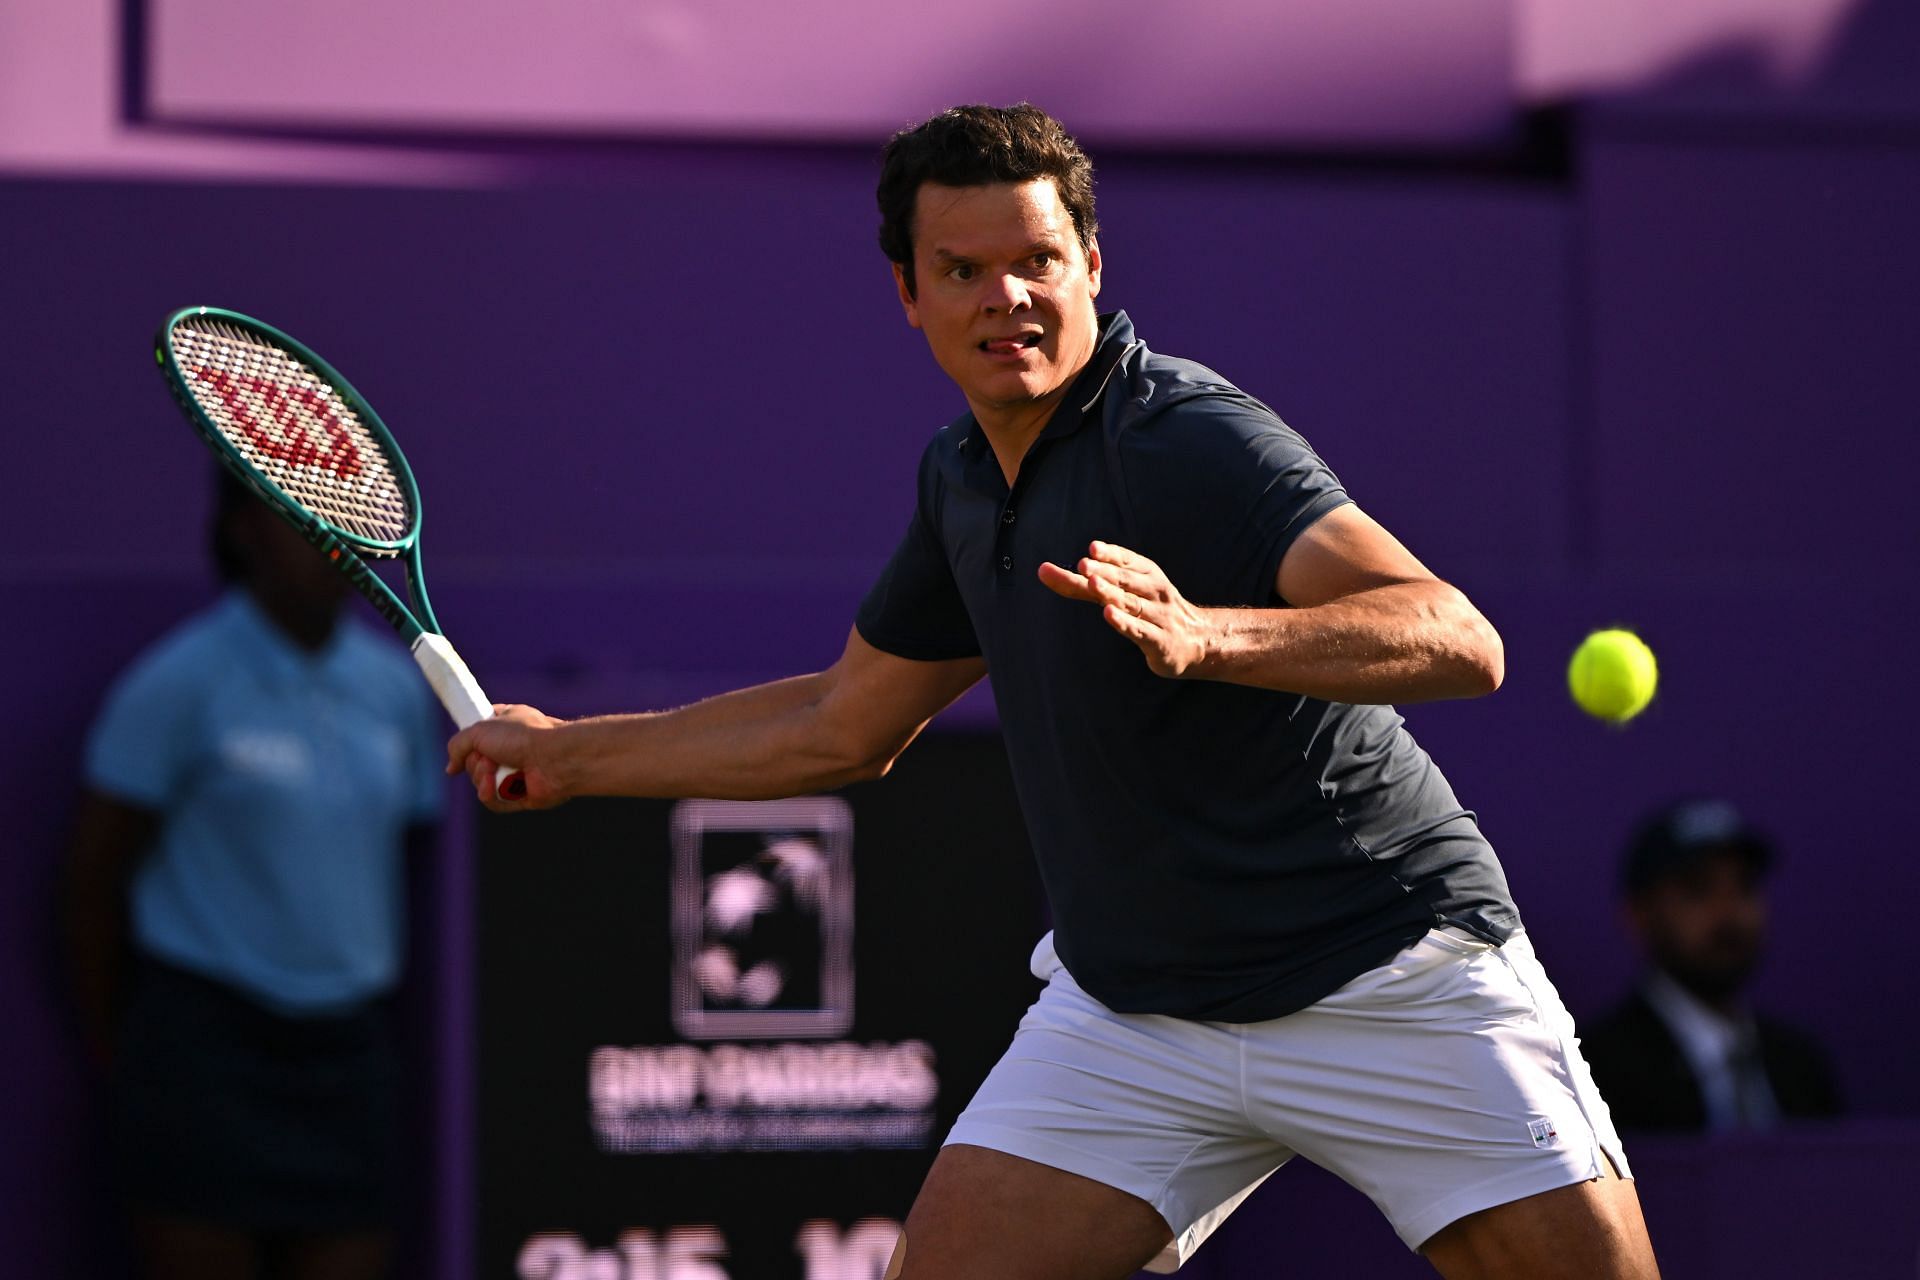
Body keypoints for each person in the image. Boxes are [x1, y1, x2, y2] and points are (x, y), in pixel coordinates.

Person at [449, 104, 1661, 1279]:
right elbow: (843, 723)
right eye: (963, 268)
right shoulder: (963, 478)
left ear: (1090, 263)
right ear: (908, 293)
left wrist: (1208, 632)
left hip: (1385, 968)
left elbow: (1456, 635)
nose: (1006, 297)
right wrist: (570, 753)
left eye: (1037, 260)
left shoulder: (1190, 438)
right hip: (1138, 1016)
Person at [64, 469, 445, 1280]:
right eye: (299, 518)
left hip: (349, 1055)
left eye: (338, 518)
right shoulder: (176, 684)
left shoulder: (394, 691)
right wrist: (130, 1051)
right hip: (205, 1053)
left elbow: (409, 859)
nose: (326, 541)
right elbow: (93, 879)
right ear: (244, 532)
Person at [1580, 798, 1843, 1134]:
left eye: (1744, 887)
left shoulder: (1801, 1066)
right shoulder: (1595, 1074)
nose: (1729, 911)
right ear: (1640, 914)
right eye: (1698, 889)